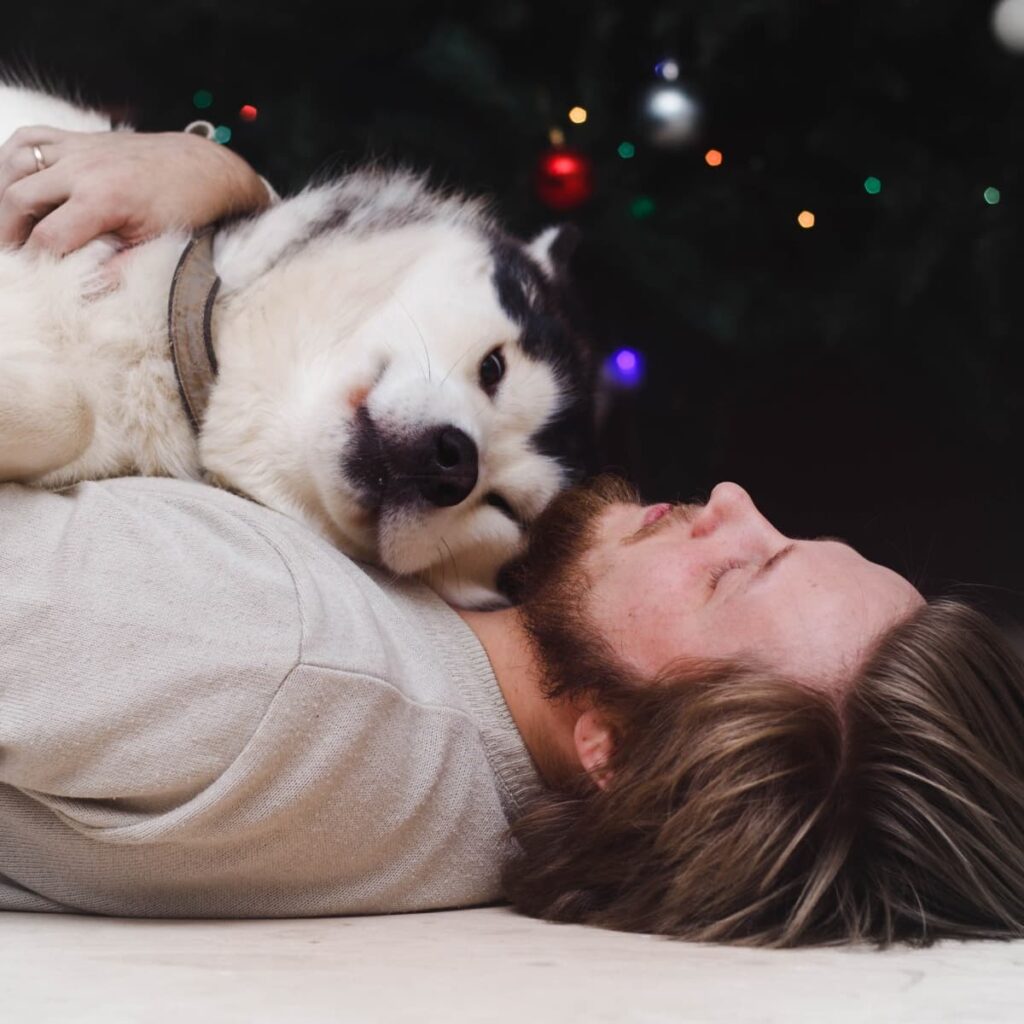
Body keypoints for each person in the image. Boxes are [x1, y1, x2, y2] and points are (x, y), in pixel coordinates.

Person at [1, 126, 1023, 947]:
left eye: (739, 572)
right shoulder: (454, 725)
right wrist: (221, 182)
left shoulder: (279, 659)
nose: (729, 500)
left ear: (614, 751)